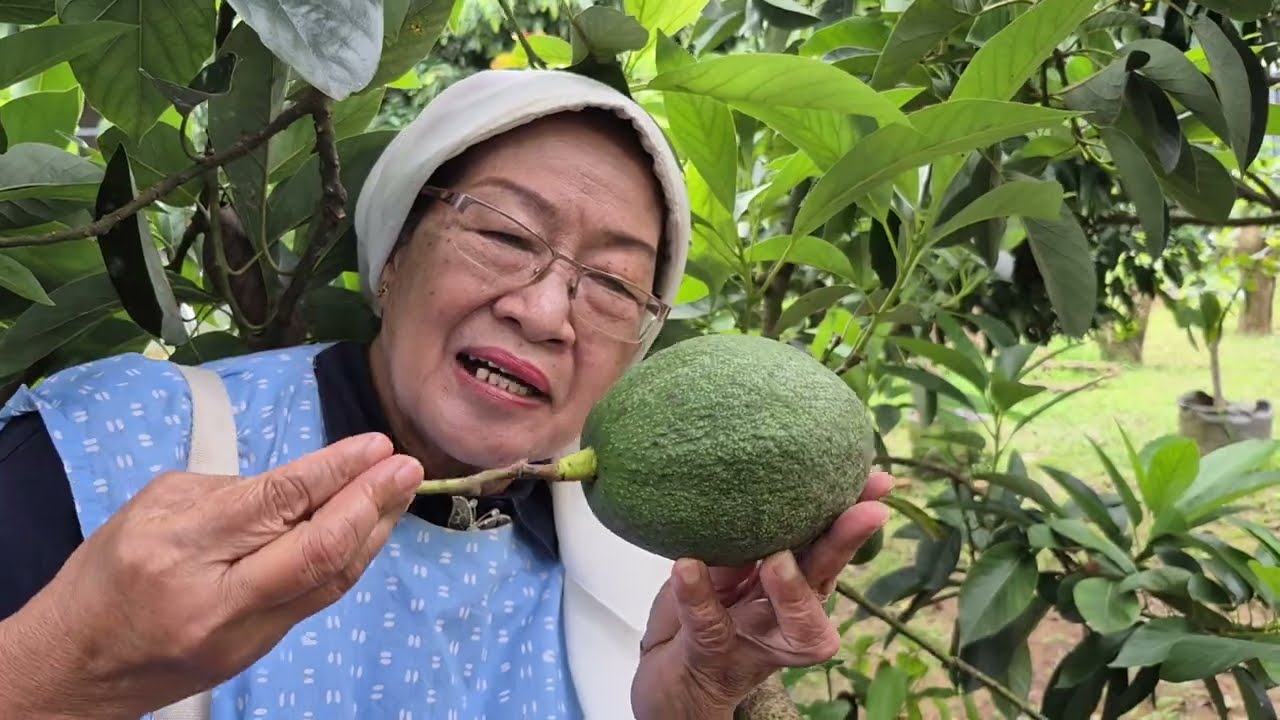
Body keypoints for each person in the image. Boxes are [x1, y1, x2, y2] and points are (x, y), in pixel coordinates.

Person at [0, 68, 893, 719]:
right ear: (392, 258)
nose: (547, 311)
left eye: (615, 287)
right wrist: (61, 671)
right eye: (506, 235)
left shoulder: (662, 581)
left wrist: (688, 709)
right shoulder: (116, 444)